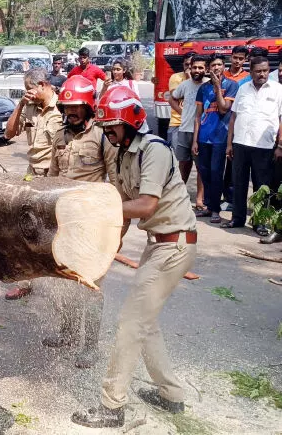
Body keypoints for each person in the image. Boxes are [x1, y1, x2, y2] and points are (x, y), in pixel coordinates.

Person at [72, 86, 197, 429]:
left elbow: (145, 205)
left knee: (130, 324)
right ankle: (172, 395)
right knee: (146, 324)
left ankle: (111, 407)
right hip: (158, 244)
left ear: (131, 122)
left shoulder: (152, 150)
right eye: (106, 127)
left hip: (174, 245)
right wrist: (104, 252)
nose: (107, 133)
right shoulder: (125, 154)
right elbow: (124, 216)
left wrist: (97, 209)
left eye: (112, 127)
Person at [46, 75, 118, 368]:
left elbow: (115, 182)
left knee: (90, 289)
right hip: (63, 224)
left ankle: (90, 347)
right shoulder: (59, 136)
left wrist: (114, 227)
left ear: (89, 107)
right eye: (66, 107)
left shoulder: (102, 137)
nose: (70, 112)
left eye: (76, 107)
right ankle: (68, 333)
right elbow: (49, 180)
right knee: (63, 282)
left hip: (92, 225)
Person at [2, 68, 63, 300]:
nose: (28, 94)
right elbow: (9, 134)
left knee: (54, 229)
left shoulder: (63, 108)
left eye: (30, 89)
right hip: (32, 174)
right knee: (24, 228)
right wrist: (19, 105)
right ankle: (26, 281)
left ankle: (58, 279)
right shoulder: (28, 107)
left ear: (44, 85)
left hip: (54, 175)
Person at [223, 55, 282, 232]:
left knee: (261, 186)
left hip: (264, 146)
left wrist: (280, 145)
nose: (262, 74)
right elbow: (233, 117)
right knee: (239, 182)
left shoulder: (278, 90)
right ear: (251, 72)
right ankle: (237, 219)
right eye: (258, 71)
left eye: (265, 70)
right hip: (240, 143)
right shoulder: (243, 88)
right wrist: (229, 144)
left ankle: (260, 222)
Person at [190, 54, 238, 225]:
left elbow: (225, 109)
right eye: (213, 65)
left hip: (220, 137)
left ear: (223, 66)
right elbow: (197, 116)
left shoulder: (231, 86)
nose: (216, 68)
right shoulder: (202, 89)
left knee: (217, 174)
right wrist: (195, 140)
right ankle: (209, 206)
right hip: (203, 137)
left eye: (219, 64)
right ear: (209, 68)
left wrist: (218, 87)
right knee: (205, 173)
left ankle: (216, 209)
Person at [168, 54, 208, 190]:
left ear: (206, 69)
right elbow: (172, 98)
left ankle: (199, 199)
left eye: (200, 67)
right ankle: (180, 195)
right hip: (185, 130)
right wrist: (181, 112)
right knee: (183, 165)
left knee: (201, 167)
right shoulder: (184, 85)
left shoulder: (209, 84)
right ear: (190, 69)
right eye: (194, 67)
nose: (197, 70)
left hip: (203, 132)